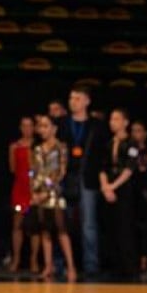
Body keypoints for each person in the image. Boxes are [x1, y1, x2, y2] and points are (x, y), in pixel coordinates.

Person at [57, 85, 106, 277]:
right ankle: (61, 264)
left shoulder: (96, 124)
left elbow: (101, 154)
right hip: (65, 178)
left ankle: (91, 266)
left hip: (88, 178)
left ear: (87, 101)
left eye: (77, 98)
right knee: (62, 222)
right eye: (71, 98)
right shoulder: (62, 123)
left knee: (89, 224)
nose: (73, 102)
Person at [31, 113, 77, 282]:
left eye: (45, 126)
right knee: (45, 231)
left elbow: (61, 172)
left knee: (62, 231)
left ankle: (71, 266)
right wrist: (34, 192)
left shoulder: (61, 147)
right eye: (40, 126)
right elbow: (34, 171)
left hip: (55, 194)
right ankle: (48, 265)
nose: (42, 129)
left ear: (54, 128)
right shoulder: (37, 148)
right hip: (40, 194)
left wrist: (48, 191)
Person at [99, 108, 139, 280]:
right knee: (111, 228)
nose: (112, 122)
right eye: (111, 119)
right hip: (109, 187)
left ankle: (128, 268)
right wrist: (105, 186)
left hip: (124, 188)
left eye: (116, 119)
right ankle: (113, 267)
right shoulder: (109, 143)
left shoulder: (132, 143)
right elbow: (102, 167)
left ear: (125, 122)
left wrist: (113, 186)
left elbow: (129, 168)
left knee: (125, 228)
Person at [7, 115, 38, 273]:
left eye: (30, 125)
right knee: (17, 225)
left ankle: (33, 260)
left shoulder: (38, 146)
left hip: (33, 190)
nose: (27, 129)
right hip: (19, 188)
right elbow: (12, 168)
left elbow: (37, 168)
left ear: (34, 128)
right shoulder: (14, 146)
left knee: (34, 227)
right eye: (24, 125)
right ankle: (16, 259)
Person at [129, 119, 147, 273]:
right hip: (132, 192)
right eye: (133, 130)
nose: (136, 134)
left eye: (139, 130)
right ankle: (133, 259)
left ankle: (146, 259)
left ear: (145, 134)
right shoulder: (129, 149)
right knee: (132, 227)